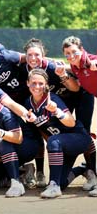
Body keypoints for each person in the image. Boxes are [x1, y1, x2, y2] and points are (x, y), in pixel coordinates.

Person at [19, 38, 96, 190]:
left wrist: (63, 75)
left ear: (43, 56)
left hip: (78, 97)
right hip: (57, 102)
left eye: (37, 55)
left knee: (82, 133)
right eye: (30, 55)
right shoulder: (25, 71)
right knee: (51, 132)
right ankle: (52, 172)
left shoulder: (53, 67)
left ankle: (92, 171)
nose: (33, 59)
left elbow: (75, 88)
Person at [23, 68, 92, 198]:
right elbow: (42, 130)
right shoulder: (28, 102)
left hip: (78, 139)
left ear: (46, 85)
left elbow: (71, 122)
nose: (37, 86)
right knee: (63, 182)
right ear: (27, 83)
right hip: (61, 146)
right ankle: (81, 170)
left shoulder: (52, 99)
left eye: (41, 83)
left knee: (53, 141)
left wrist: (57, 112)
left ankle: (53, 186)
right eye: (33, 83)